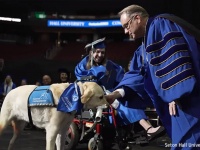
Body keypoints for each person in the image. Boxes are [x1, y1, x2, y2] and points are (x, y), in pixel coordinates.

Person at [105, 4, 200, 148]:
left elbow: (176, 58)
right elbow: (140, 75)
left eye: (126, 25)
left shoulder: (161, 24)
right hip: (177, 105)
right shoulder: (144, 47)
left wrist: (175, 93)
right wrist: (116, 94)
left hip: (186, 101)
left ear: (137, 18)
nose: (125, 31)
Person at [75, 37, 165, 141]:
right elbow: (85, 84)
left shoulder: (111, 66)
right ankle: (148, 128)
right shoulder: (82, 66)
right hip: (94, 97)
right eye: (97, 52)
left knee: (129, 99)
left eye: (102, 52)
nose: (100, 55)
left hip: (111, 93)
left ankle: (146, 129)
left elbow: (121, 78)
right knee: (121, 103)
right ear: (91, 52)